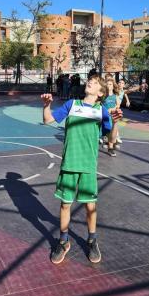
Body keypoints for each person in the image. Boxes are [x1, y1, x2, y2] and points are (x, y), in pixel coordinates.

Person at [41, 75, 122, 265]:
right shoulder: (72, 104)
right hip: (69, 163)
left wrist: (116, 122)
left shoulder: (101, 111)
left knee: (90, 206)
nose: (90, 83)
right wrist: (46, 105)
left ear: (100, 93)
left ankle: (92, 240)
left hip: (87, 166)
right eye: (90, 81)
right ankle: (63, 241)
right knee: (65, 205)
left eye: (94, 83)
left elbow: (111, 137)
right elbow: (48, 120)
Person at [102, 78, 121, 156]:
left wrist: (113, 108)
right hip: (104, 116)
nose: (109, 86)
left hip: (112, 116)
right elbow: (100, 104)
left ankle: (111, 148)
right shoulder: (103, 95)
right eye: (107, 84)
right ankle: (105, 140)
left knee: (111, 130)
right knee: (105, 132)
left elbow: (118, 105)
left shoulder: (115, 96)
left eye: (110, 84)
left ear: (113, 86)